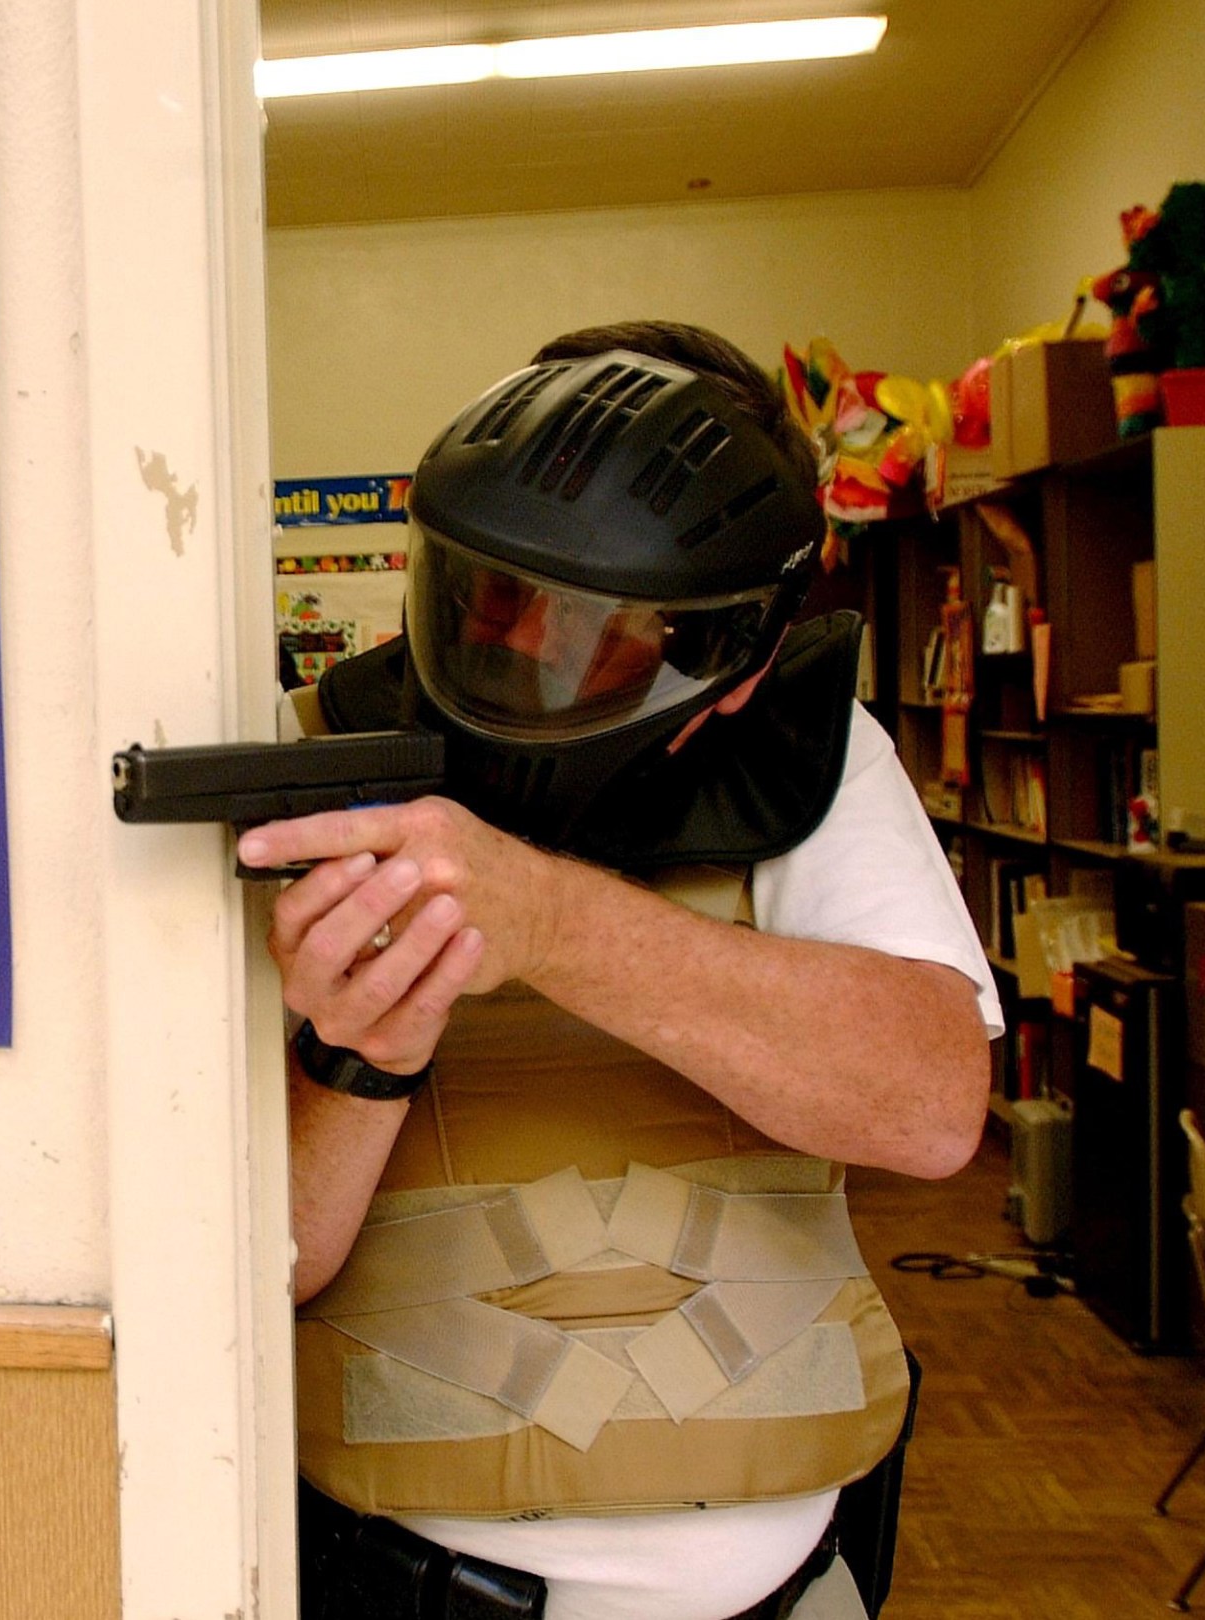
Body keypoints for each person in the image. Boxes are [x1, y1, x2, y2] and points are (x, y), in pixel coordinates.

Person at [246, 322, 995, 1620]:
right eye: (498, 595)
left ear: (731, 662)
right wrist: (362, 1054)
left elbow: (930, 1110)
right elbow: (262, 1263)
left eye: (603, 627)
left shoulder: (815, 758)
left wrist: (549, 922)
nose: (530, 648)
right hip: (390, 1580)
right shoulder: (311, 761)